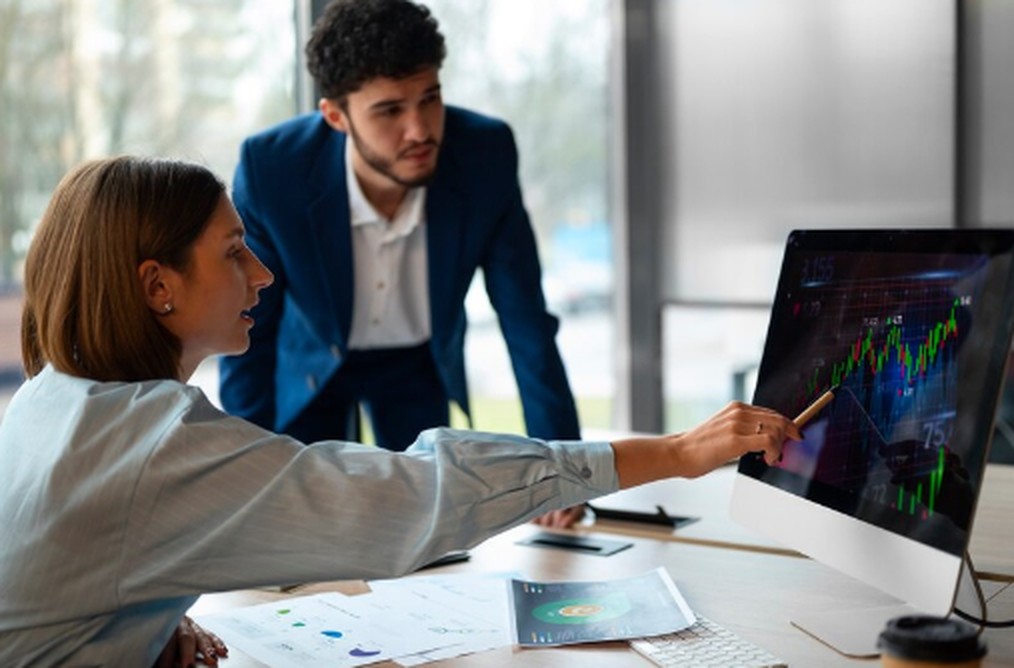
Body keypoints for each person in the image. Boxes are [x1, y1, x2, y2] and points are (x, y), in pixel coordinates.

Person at [0, 156, 800, 666]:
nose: (263, 274)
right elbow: (408, 496)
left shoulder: (55, 405)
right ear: (156, 287)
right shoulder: (146, 444)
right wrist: (673, 452)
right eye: (233, 250)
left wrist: (135, 629)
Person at [218, 0, 579, 457]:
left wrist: (564, 463)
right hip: (312, 363)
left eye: (430, 99)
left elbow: (525, 320)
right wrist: (244, 463)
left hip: (418, 362)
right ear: (335, 116)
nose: (420, 131)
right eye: (389, 111)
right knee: (307, 513)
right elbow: (249, 327)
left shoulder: (485, 155)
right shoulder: (273, 170)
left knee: (426, 512)